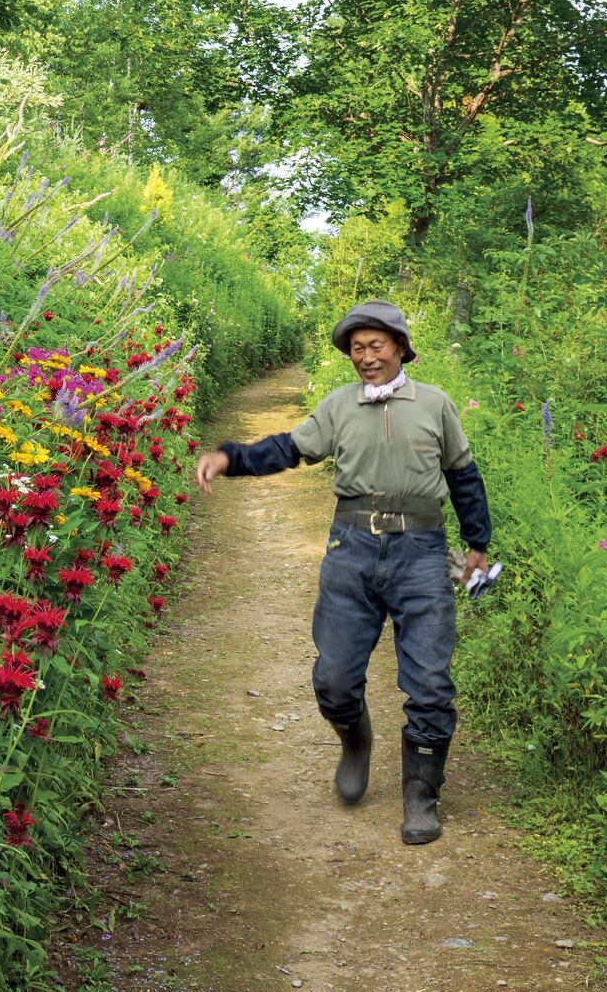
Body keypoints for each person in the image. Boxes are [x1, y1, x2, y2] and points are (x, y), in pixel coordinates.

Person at [193, 300, 492, 845]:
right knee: (333, 680)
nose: (367, 356)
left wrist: (478, 544)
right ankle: (355, 741)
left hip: (422, 552)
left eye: (377, 345)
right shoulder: (337, 407)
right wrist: (230, 459)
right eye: (357, 348)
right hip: (351, 548)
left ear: (400, 347)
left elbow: (464, 476)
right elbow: (288, 449)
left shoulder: (435, 404)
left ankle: (421, 797)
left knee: (429, 683)